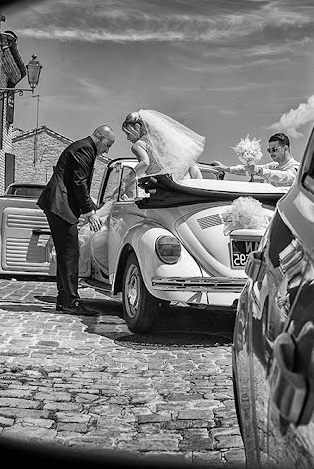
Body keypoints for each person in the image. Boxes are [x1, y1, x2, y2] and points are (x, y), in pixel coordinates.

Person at [37, 125, 115, 315]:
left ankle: (64, 300)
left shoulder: (83, 147)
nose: (107, 150)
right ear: (100, 137)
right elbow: (78, 182)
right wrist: (89, 212)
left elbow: (78, 183)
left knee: (66, 254)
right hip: (60, 205)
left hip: (60, 206)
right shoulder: (85, 149)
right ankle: (71, 302)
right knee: (70, 254)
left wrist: (90, 208)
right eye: (108, 144)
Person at [121, 110, 205, 185]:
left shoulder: (138, 145)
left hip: (165, 187)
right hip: (184, 182)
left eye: (128, 133)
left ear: (137, 127)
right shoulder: (162, 139)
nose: (128, 138)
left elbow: (145, 163)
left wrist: (124, 183)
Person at [210, 132, 300, 187]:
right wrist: (225, 168)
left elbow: (285, 177)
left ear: (286, 149)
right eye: (269, 150)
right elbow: (248, 170)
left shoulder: (296, 168)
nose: (271, 153)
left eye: (274, 149)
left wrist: (260, 171)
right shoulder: (273, 166)